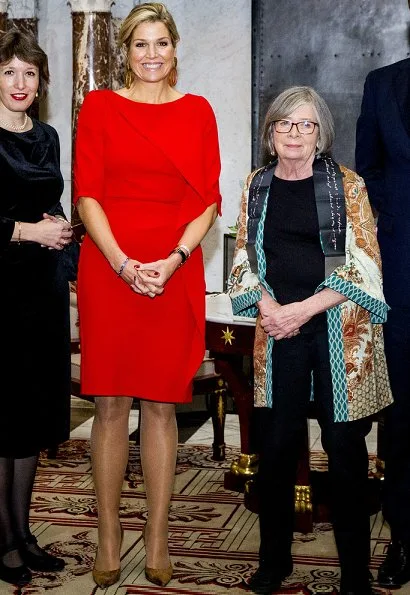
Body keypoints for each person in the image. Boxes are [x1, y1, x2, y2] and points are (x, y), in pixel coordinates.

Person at [73, 2, 221, 589]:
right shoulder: (101, 106)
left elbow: (207, 198)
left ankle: (157, 532)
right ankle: (109, 533)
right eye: (141, 44)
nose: (152, 54)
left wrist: (172, 260)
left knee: (161, 405)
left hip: (171, 267)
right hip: (110, 265)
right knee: (109, 405)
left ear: (176, 50)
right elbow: (87, 193)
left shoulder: (198, 111)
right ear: (125, 51)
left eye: (161, 43)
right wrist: (122, 262)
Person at [227, 86, 392, 595]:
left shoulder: (347, 184)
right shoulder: (256, 185)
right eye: (284, 125)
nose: (294, 134)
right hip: (278, 329)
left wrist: (303, 308)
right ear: (270, 134)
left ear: (320, 134)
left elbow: (365, 262)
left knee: (345, 454)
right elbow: (242, 257)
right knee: (275, 449)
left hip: (338, 328)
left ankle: (355, 576)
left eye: (305, 125)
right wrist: (270, 309)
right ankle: (274, 563)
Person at [0, 29, 72, 587]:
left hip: (42, 295)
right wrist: (26, 231)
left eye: (30, 73)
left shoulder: (46, 136)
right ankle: (2, 542)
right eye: (9, 72)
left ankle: (23, 533)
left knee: (29, 419)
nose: (20, 83)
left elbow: (52, 200)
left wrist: (62, 235)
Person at [356, 57, 410, 589]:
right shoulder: (383, 84)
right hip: (401, 274)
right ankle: (403, 536)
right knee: (403, 416)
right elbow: (365, 169)